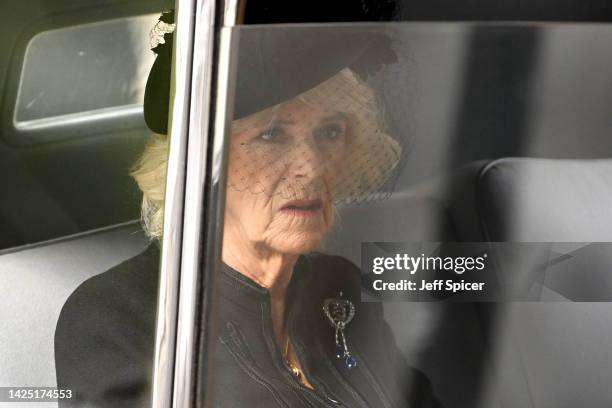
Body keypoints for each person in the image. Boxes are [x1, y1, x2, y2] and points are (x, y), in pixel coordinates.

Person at [55, 10, 443, 408]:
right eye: (271, 135)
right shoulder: (117, 317)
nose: (312, 167)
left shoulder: (338, 285)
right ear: (202, 163)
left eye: (330, 132)